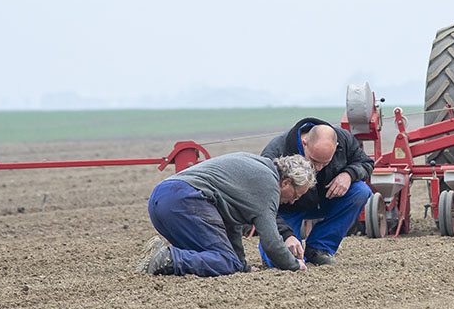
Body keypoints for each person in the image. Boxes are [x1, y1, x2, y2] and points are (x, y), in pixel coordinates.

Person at [136, 152, 316, 277]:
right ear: (285, 182)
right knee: (225, 262)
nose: (293, 202)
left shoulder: (257, 165)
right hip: (184, 199)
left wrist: (242, 266)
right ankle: (166, 257)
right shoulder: (268, 185)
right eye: (296, 195)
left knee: (226, 261)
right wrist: (293, 265)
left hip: (160, 198)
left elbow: (231, 223)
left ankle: (163, 255)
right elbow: (271, 243)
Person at [259, 118, 373, 266]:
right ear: (305, 142)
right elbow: (263, 203)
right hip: (288, 209)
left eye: (325, 163)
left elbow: (365, 163)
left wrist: (349, 174)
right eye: (314, 161)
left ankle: (319, 249)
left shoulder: (343, 139)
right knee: (283, 263)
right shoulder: (276, 152)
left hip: (326, 199)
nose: (318, 168)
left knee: (360, 191)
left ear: (336, 146)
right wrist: (286, 235)